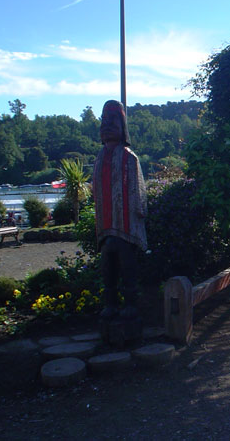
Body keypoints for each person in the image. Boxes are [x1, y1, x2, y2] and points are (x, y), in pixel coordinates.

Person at [93, 100, 148, 321]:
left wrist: (139, 212)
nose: (107, 126)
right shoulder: (100, 157)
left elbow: (138, 190)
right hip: (107, 225)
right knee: (108, 265)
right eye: (103, 121)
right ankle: (111, 303)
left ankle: (131, 304)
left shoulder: (129, 157)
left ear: (122, 125)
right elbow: (96, 188)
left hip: (126, 227)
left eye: (112, 121)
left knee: (127, 263)